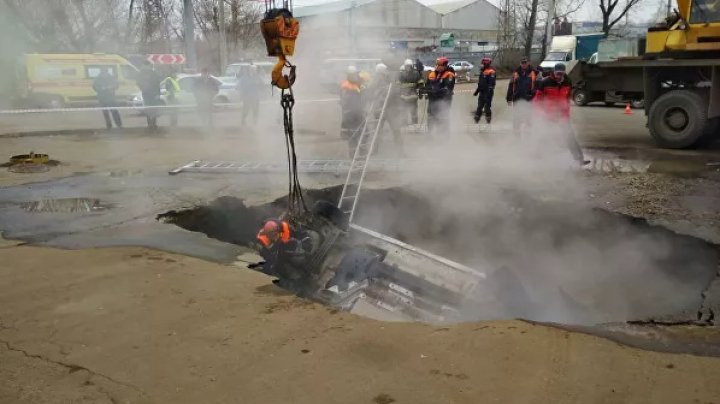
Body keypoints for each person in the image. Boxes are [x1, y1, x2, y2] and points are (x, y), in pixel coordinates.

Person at [534, 63, 586, 164]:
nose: (559, 76)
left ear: (564, 73)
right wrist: (541, 113)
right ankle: (538, 156)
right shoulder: (545, 82)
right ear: (554, 72)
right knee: (545, 135)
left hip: (562, 115)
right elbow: (537, 100)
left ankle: (579, 159)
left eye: (561, 74)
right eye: (557, 73)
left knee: (570, 137)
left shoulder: (567, 82)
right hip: (548, 115)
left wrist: (566, 114)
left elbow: (567, 99)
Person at [369, 63, 405, 155]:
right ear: (380, 71)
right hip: (382, 108)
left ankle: (399, 151)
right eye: (385, 70)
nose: (387, 72)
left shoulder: (388, 79)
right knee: (379, 130)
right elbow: (373, 92)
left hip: (388, 107)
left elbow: (395, 91)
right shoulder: (376, 80)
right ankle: (375, 150)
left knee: (393, 129)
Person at [506, 57, 537, 136]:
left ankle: (528, 136)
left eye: (525, 63)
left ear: (528, 63)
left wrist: (533, 95)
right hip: (517, 98)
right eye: (522, 63)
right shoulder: (515, 73)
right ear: (520, 63)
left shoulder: (534, 73)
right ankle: (516, 137)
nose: (524, 64)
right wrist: (509, 98)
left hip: (528, 99)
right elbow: (511, 85)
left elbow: (537, 86)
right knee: (516, 118)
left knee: (528, 118)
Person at [423, 57, 455, 133]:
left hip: (443, 101)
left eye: (439, 64)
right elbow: (427, 85)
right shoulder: (432, 74)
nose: (437, 66)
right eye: (437, 64)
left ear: (445, 65)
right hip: (432, 101)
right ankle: (430, 135)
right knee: (430, 118)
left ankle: (443, 137)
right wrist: (424, 90)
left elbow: (448, 88)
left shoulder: (449, 75)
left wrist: (435, 91)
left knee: (442, 118)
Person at [340, 66, 365, 157]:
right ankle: (354, 155)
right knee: (353, 135)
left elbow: (363, 92)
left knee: (363, 134)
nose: (357, 75)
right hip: (351, 114)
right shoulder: (347, 86)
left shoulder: (356, 84)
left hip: (357, 113)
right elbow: (346, 101)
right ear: (350, 75)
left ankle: (362, 154)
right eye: (355, 74)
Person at [136, 61, 162, 130]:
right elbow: (138, 83)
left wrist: (158, 93)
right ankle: (150, 124)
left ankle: (153, 123)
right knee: (149, 108)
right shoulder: (142, 73)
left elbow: (157, 84)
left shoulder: (152, 73)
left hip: (151, 94)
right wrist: (143, 88)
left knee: (152, 108)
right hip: (147, 94)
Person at [473, 56, 496, 124]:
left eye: (482, 64)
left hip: (488, 92)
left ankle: (488, 121)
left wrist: (489, 91)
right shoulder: (482, 72)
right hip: (482, 92)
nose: (481, 65)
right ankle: (476, 120)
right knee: (479, 106)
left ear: (486, 64)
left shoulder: (491, 72)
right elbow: (480, 83)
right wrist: (477, 91)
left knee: (487, 107)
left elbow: (491, 83)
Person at [399, 59, 423, 125]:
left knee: (413, 111)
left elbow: (420, 83)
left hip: (413, 95)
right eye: (406, 66)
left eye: (409, 66)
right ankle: (404, 124)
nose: (408, 68)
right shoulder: (401, 74)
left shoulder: (416, 73)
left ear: (412, 66)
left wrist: (420, 90)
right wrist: (399, 93)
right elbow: (398, 84)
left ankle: (414, 124)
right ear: (404, 66)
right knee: (404, 111)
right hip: (403, 95)